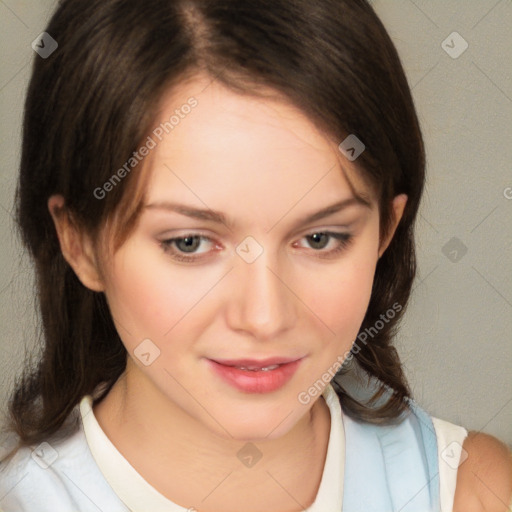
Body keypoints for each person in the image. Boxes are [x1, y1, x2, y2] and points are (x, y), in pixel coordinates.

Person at [0, 0, 511, 511]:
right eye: (189, 243)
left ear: (385, 232)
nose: (264, 318)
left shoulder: (473, 494)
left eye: (320, 238)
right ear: (78, 242)